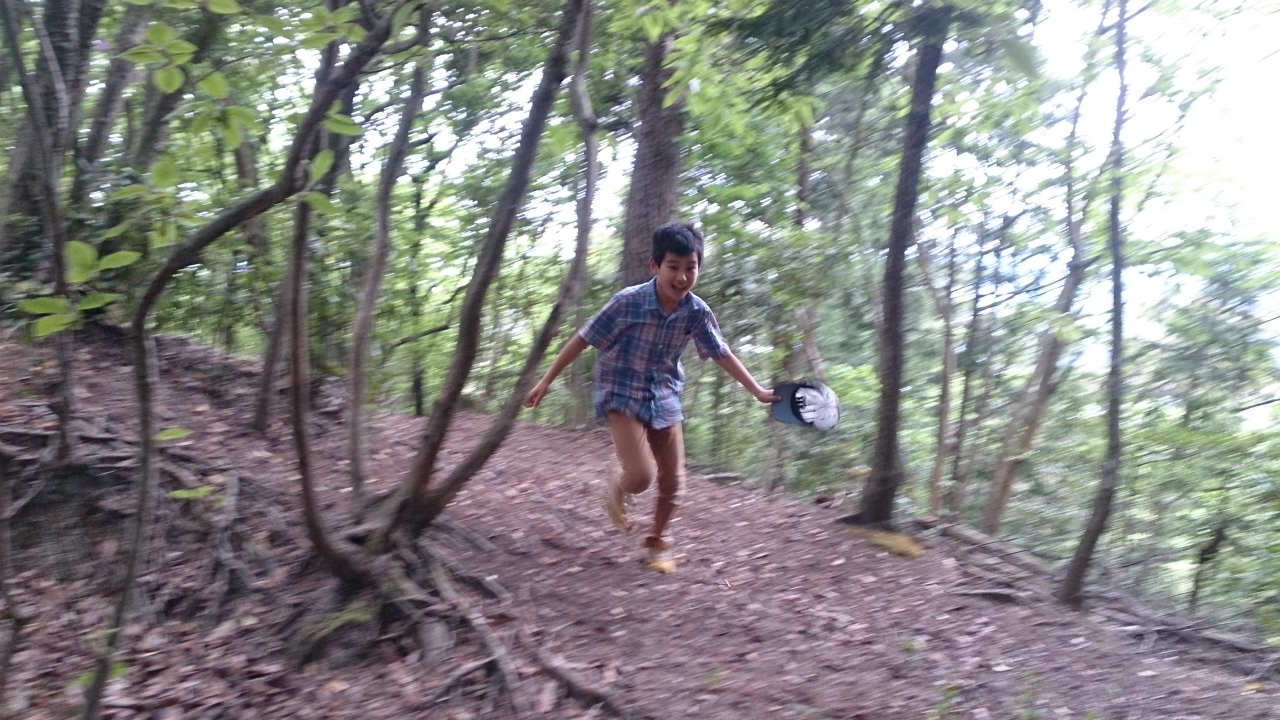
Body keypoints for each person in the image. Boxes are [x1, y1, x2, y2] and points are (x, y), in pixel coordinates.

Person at [524, 222, 778, 573]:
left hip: (664, 393)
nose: (682, 277)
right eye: (673, 267)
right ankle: (619, 482)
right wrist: (545, 381)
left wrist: (757, 390)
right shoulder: (627, 302)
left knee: (674, 482)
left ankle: (656, 544)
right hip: (621, 391)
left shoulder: (697, 312)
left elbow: (721, 352)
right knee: (642, 477)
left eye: (691, 268)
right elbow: (583, 338)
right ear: (655, 265)